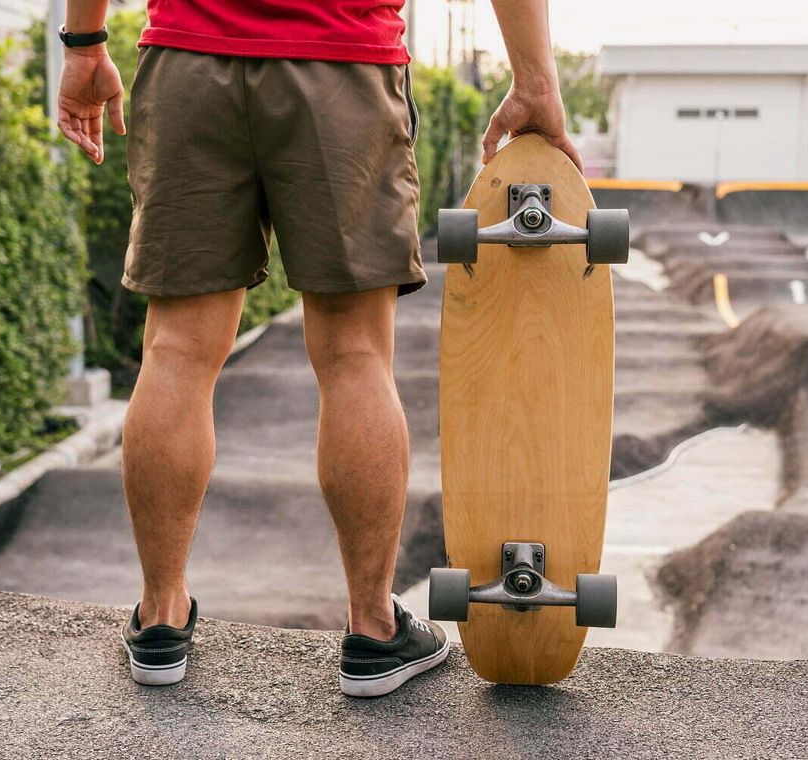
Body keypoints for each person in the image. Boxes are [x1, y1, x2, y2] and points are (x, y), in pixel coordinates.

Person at [56, 0, 582, 697]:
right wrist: (537, 83)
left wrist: (86, 42)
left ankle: (160, 619)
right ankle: (373, 630)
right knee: (355, 354)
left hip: (188, 60)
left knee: (176, 350)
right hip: (343, 62)